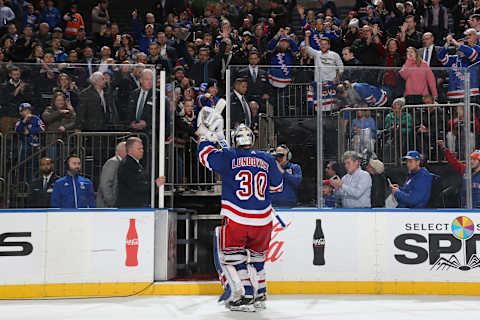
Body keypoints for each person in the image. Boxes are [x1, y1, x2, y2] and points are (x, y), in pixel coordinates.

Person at [197, 120, 283, 311]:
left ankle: (246, 296)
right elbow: (277, 187)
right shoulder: (267, 158)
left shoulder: (228, 155)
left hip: (237, 217)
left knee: (234, 259)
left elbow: (205, 158)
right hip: (263, 219)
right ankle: (260, 295)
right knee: (258, 259)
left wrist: (205, 139)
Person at [116, 137, 164, 208]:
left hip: (137, 206)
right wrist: (155, 184)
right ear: (130, 150)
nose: (142, 151)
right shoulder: (127, 165)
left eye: (142, 148)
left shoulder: (136, 164)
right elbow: (135, 185)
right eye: (139, 149)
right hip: (130, 207)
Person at [437, 140, 480, 207]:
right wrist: (444, 148)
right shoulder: (465, 169)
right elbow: (453, 161)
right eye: (470, 159)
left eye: (474, 159)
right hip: (464, 207)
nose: (471, 161)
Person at [96, 141, 126, 208]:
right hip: (107, 206)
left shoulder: (123, 163)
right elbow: (105, 184)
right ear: (120, 150)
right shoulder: (112, 162)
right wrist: (112, 202)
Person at [127, 69, 154, 135]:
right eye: (147, 79)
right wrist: (131, 123)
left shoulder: (157, 94)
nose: (150, 82)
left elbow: (159, 114)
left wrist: (146, 123)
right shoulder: (134, 93)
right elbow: (129, 111)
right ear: (141, 80)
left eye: (151, 80)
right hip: (133, 132)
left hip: (150, 133)